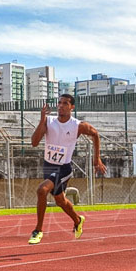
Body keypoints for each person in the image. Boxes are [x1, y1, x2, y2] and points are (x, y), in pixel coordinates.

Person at [28, 94, 106, 244]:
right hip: (48, 166)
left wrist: (96, 158)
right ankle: (77, 220)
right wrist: (42, 119)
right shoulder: (49, 122)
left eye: (65, 103)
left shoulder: (77, 125)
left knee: (42, 190)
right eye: (59, 103)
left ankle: (38, 230)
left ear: (72, 107)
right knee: (60, 200)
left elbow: (95, 134)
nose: (60, 106)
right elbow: (34, 142)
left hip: (63, 168)